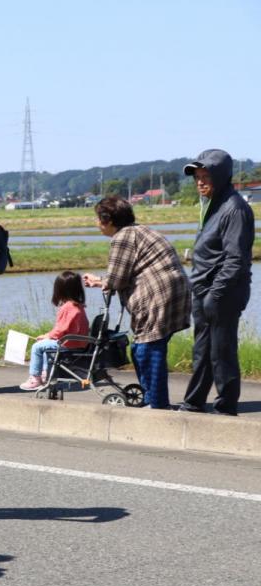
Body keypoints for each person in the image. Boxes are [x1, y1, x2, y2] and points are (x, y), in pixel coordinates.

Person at [82, 196, 191, 408]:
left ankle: (158, 405)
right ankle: (151, 400)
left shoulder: (122, 237)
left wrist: (103, 281)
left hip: (156, 297)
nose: (96, 223)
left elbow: (116, 279)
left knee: (148, 350)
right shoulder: (139, 230)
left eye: (98, 219)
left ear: (108, 220)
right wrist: (101, 281)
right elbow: (120, 277)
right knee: (142, 348)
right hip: (174, 294)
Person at [177, 149, 254, 416]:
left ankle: (225, 408)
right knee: (203, 351)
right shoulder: (213, 205)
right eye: (197, 177)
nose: (200, 182)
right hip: (204, 291)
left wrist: (215, 295)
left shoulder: (234, 209)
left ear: (220, 176)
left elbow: (235, 260)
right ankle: (193, 403)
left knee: (222, 353)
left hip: (223, 293)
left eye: (206, 176)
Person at [19, 271, 90, 391]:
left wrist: (46, 336)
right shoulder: (78, 306)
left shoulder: (68, 307)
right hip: (78, 343)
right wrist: (47, 337)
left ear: (60, 290)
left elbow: (60, 330)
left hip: (69, 344)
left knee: (37, 347)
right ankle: (45, 374)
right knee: (44, 346)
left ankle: (35, 378)